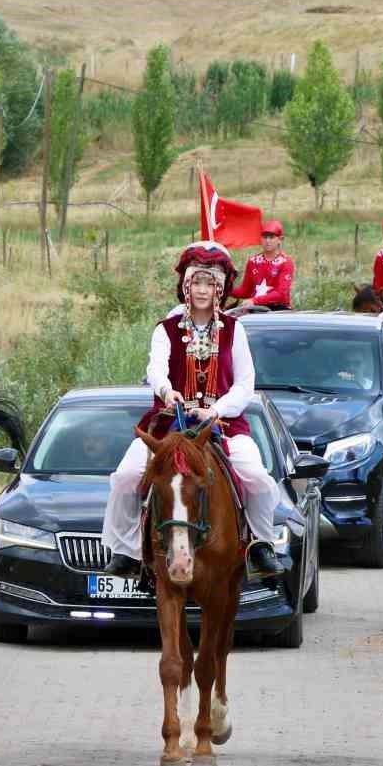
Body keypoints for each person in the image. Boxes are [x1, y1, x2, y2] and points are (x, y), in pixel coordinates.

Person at [102, 241, 283, 579]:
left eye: (210, 284)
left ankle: (260, 545)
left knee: (258, 478)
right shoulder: (165, 329)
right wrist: (167, 391)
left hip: (223, 426)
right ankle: (126, 551)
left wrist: (218, 410)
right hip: (169, 424)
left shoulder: (235, 330)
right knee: (126, 477)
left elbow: (245, 384)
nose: (202, 290)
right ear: (186, 286)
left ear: (220, 289)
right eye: (196, 283)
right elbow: (156, 368)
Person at [230, 220, 294, 310]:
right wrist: (226, 290)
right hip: (256, 309)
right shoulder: (253, 261)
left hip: (279, 310)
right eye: (264, 237)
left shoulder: (286, 262)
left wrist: (254, 301)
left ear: (280, 240)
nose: (267, 241)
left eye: (271, 237)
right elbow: (245, 291)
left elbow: (281, 294)